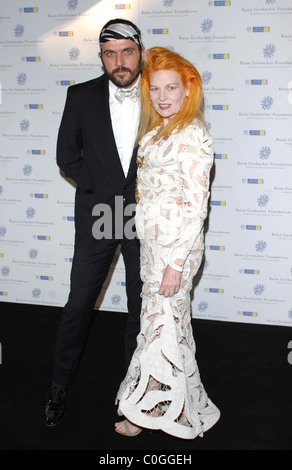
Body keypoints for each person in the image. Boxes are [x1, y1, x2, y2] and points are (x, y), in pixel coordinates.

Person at [115, 47, 220, 439]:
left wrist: (176, 264)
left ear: (188, 89)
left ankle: (149, 412)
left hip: (177, 249)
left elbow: (196, 209)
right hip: (153, 245)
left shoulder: (192, 135)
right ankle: (171, 408)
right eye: (155, 88)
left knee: (161, 328)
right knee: (166, 327)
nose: (162, 96)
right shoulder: (158, 132)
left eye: (170, 87)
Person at [44, 19, 145, 427]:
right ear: (101, 56)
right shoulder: (81, 96)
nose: (119, 61)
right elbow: (67, 157)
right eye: (110, 53)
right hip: (100, 212)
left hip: (145, 213)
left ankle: (137, 392)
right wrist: (100, 189)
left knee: (141, 307)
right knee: (79, 303)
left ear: (140, 51)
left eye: (126, 51)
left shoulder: (162, 91)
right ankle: (58, 387)